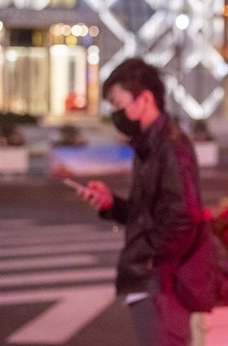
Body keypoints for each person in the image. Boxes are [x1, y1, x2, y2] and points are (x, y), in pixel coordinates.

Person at [78, 57, 204, 345]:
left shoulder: (170, 147)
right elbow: (150, 214)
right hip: (154, 283)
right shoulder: (150, 145)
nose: (115, 112)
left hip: (162, 285)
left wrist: (146, 258)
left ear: (145, 99)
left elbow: (184, 217)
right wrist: (112, 204)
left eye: (118, 104)